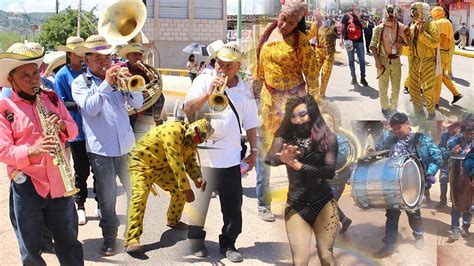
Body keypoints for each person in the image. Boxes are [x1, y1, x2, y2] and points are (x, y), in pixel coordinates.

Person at [0, 42, 83, 265]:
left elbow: (73, 130)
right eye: (25, 75)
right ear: (11, 80)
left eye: (34, 73)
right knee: (30, 248)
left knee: (69, 243)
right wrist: (31, 151)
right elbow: (3, 150)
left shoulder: (51, 98)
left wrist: (64, 126)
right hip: (27, 184)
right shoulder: (5, 108)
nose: (33, 79)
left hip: (60, 181)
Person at [183, 41, 259, 262]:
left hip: (230, 157)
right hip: (203, 155)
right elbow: (188, 109)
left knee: (233, 205)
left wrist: (253, 151)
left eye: (228, 66)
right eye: (219, 64)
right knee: (199, 203)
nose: (222, 70)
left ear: (238, 67)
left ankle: (229, 243)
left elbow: (252, 123)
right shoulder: (203, 80)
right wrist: (208, 94)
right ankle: (196, 241)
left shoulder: (244, 89)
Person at [72, 35, 144, 256]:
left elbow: (138, 104)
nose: (105, 63)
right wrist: (107, 84)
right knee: (108, 197)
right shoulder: (80, 83)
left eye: (107, 58)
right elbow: (91, 108)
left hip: (127, 147)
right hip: (101, 151)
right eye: (99, 59)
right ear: (87, 60)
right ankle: (110, 238)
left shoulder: (118, 78)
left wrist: (131, 85)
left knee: (135, 193)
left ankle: (133, 236)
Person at [266, 95, 339, 265]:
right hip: (296, 204)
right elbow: (271, 158)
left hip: (324, 204)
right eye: (292, 116)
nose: (297, 120)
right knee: (300, 261)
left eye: (302, 114)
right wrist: (282, 158)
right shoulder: (285, 137)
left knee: (326, 255)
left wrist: (299, 166)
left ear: (312, 113)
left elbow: (329, 171)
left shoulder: (328, 138)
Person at [125, 118, 214, 253]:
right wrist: (187, 189)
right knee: (139, 198)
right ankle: (132, 240)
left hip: (161, 167)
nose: (196, 140)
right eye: (196, 135)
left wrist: (198, 178)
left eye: (200, 140)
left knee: (179, 193)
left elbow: (191, 162)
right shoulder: (172, 131)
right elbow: (176, 163)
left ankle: (173, 220)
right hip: (141, 163)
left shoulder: (190, 143)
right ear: (193, 128)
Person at [369, 112, 441, 258]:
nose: (396, 131)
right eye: (393, 128)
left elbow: (437, 157)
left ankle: (419, 236)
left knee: (413, 214)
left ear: (408, 124)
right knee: (392, 214)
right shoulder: (390, 138)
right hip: (392, 184)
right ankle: (389, 245)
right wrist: (372, 150)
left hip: (413, 185)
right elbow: (379, 149)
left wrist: (430, 173)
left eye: (399, 127)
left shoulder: (422, 139)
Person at [254, 0, 317, 155]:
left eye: (291, 23)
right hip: (268, 98)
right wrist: (256, 81)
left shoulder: (300, 41)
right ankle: (264, 176)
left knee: (292, 146)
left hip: (292, 101)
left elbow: (312, 74)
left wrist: (314, 102)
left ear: (297, 24)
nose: (284, 25)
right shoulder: (267, 32)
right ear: (279, 14)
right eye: (283, 19)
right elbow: (260, 60)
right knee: (267, 143)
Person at [55, 36, 99, 225]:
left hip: (94, 128)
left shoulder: (88, 71)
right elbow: (60, 103)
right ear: (69, 54)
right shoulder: (62, 75)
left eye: (83, 52)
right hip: (77, 131)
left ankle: (100, 204)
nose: (81, 56)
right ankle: (80, 205)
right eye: (77, 53)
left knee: (98, 169)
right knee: (81, 171)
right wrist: (83, 103)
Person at [370, 5, 409, 118]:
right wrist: (377, 60)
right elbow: (372, 45)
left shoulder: (401, 27)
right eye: (389, 15)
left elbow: (409, 42)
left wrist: (399, 44)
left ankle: (393, 107)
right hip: (383, 60)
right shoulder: (379, 28)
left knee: (396, 86)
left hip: (396, 61)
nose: (391, 17)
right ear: (386, 14)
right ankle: (385, 107)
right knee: (383, 86)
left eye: (393, 15)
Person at [118, 43, 166, 129]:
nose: (137, 57)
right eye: (134, 54)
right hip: (129, 106)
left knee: (160, 97)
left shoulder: (145, 69)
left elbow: (155, 83)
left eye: (139, 54)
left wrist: (145, 69)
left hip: (144, 105)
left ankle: (158, 121)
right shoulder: (122, 68)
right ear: (128, 56)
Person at [406, 2, 440, 120]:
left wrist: (422, 34)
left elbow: (435, 42)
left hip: (428, 61)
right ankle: (419, 112)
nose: (413, 13)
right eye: (412, 10)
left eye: (415, 10)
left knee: (428, 89)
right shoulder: (414, 25)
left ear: (422, 11)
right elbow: (410, 42)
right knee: (413, 88)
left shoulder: (432, 24)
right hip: (415, 60)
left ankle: (431, 113)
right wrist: (406, 35)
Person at [446, 117, 473, 241]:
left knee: (469, 202)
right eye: (467, 133)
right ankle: (455, 229)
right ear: (462, 132)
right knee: (456, 202)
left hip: (470, 174)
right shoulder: (454, 141)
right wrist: (453, 152)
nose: (470, 136)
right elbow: (443, 153)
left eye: (472, 133)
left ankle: (465, 227)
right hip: (456, 174)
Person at [431, 7, 463, 109]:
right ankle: (456, 94)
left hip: (440, 54)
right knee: (443, 76)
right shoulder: (447, 22)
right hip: (447, 53)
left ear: (435, 14)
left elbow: (435, 40)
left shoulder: (438, 23)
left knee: (437, 79)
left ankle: (435, 102)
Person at [308, 11, 338, 98]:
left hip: (330, 53)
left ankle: (322, 94)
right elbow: (308, 36)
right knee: (315, 73)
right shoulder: (316, 25)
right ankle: (314, 93)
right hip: (318, 51)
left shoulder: (334, 24)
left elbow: (339, 33)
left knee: (326, 74)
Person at [340, 4, 369, 87]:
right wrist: (341, 39)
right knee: (351, 60)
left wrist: (358, 17)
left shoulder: (361, 16)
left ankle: (363, 78)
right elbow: (343, 28)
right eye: (356, 8)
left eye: (358, 8)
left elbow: (365, 25)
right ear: (352, 8)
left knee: (362, 60)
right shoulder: (346, 16)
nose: (357, 9)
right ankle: (353, 77)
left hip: (359, 42)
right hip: (349, 41)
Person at [437, 116, 461, 209]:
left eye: (452, 126)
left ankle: (454, 201)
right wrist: (450, 152)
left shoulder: (461, 136)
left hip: (457, 164)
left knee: (455, 183)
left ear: (457, 126)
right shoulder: (444, 135)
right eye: (449, 126)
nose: (449, 128)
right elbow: (441, 149)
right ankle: (442, 200)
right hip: (446, 162)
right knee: (443, 180)